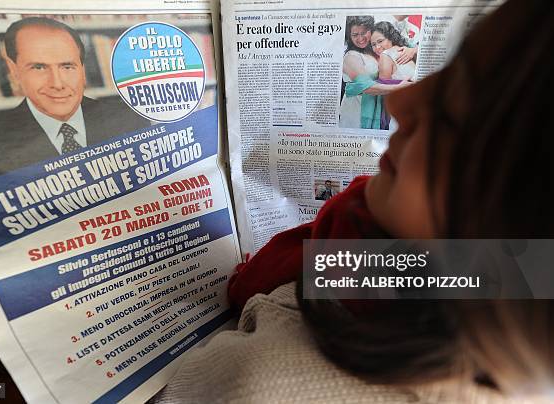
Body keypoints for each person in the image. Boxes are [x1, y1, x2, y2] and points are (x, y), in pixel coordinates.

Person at [154, 0, 554, 402]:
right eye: (446, 73)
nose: (401, 104)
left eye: (451, 114)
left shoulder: (255, 381)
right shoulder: (516, 280)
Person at [0, 17, 150, 186]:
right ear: (14, 70)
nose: (57, 84)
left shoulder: (130, 120)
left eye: (67, 66)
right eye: (39, 67)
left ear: (82, 68)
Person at [339, 16, 411, 129]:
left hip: (380, 109)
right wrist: (398, 87)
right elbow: (367, 87)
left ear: (370, 30)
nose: (360, 38)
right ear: (349, 36)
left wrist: (412, 50)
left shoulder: (377, 50)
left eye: (363, 32)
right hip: (358, 111)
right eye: (355, 35)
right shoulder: (351, 57)